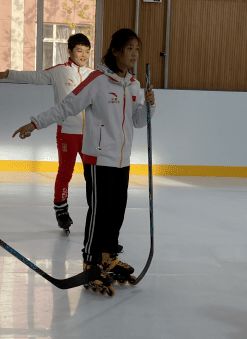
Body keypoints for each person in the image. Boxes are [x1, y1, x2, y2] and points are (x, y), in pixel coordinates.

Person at [11, 28, 156, 297]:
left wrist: (149, 107)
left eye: (137, 49)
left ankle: (108, 256)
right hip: (98, 158)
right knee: (99, 213)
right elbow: (66, 106)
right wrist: (35, 123)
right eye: (129, 49)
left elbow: (138, 122)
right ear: (115, 51)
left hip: (122, 160)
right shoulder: (97, 81)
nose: (134, 54)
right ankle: (91, 262)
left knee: (117, 211)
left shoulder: (134, 85)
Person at [0, 33, 97, 232]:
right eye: (79, 50)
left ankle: (97, 211)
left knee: (92, 176)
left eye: (87, 51)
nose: (84, 55)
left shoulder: (93, 75)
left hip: (89, 134)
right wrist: (8, 74)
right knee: (65, 172)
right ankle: (61, 209)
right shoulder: (59, 71)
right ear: (69, 51)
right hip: (67, 132)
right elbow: (34, 76)